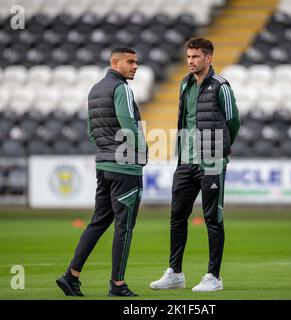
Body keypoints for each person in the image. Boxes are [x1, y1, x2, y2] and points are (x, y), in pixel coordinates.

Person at [150, 37, 240, 292]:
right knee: (177, 217)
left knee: (213, 218)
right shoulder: (184, 84)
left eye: (196, 57)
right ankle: (175, 273)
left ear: (208, 58)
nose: (190, 61)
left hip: (211, 161)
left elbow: (233, 122)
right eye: (188, 57)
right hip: (185, 162)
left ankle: (214, 276)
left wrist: (219, 150)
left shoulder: (221, 86)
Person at [56, 47, 148, 297]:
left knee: (98, 221)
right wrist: (142, 153)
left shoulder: (95, 89)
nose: (135, 66)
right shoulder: (123, 89)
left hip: (104, 166)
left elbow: (91, 132)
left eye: (136, 62)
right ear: (115, 63)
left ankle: (71, 276)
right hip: (124, 168)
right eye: (130, 62)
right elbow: (128, 125)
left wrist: (107, 149)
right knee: (124, 226)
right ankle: (117, 285)